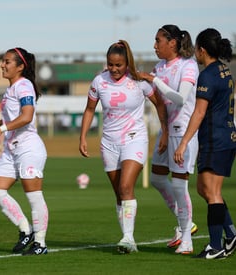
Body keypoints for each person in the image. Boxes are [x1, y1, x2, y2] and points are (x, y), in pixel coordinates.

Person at [79, 40, 168, 254]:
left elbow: (159, 103)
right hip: (109, 142)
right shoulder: (99, 81)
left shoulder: (139, 81)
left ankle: (127, 238)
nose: (114, 69)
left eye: (118, 65)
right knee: (119, 193)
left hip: (134, 139)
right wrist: (82, 136)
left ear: (126, 63)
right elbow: (90, 109)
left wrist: (165, 130)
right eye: (110, 64)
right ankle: (129, 240)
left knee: (126, 187)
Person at [174, 28, 236, 259]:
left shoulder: (208, 75)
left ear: (201, 50)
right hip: (227, 137)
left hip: (215, 140)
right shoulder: (224, 70)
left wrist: (183, 144)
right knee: (205, 189)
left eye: (197, 51)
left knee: (212, 193)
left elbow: (199, 113)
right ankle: (230, 234)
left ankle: (216, 246)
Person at [139, 24, 199, 254]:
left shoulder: (188, 65)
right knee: (156, 178)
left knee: (178, 183)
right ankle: (186, 223)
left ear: (172, 43)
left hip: (184, 131)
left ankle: (186, 239)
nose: (155, 45)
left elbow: (181, 99)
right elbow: (156, 97)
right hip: (167, 131)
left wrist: (154, 80)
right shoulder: (160, 67)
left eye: (158, 41)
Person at [0, 47, 49, 255]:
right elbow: (14, 115)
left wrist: (0, 130)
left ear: (20, 67)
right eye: (3, 61)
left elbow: (27, 116)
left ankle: (40, 243)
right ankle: (25, 229)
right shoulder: (12, 88)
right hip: (12, 148)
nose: (2, 65)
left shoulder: (23, 85)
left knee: (33, 196)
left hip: (28, 148)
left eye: (7, 62)